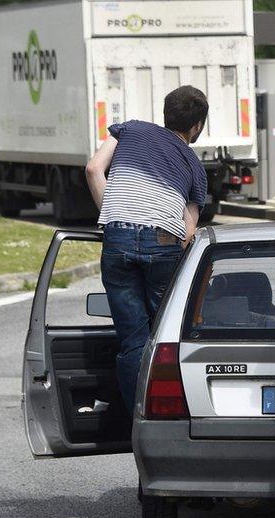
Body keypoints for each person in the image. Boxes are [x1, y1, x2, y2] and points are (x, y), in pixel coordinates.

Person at [84, 85, 209, 416]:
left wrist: (111, 217)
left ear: (166, 113)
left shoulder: (129, 129)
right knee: (164, 336)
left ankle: (136, 419)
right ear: (197, 126)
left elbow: (94, 169)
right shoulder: (195, 167)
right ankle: (166, 413)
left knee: (133, 342)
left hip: (118, 238)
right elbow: (188, 231)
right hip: (163, 242)